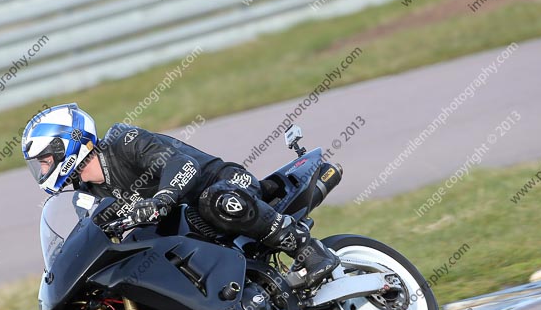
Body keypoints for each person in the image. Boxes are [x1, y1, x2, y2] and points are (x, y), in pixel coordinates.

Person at [22, 103, 339, 286]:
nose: (44, 168)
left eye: (46, 159)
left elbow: (183, 164)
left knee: (215, 200)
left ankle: (308, 250)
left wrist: (160, 200)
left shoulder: (123, 141)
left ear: (67, 143)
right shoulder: (86, 194)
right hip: (186, 230)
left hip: (223, 184)